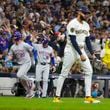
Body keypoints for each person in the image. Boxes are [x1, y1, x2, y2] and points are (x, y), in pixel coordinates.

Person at [53, 6, 100, 103]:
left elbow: (87, 41)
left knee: (89, 71)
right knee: (64, 73)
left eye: (87, 13)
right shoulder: (72, 23)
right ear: (79, 13)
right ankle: (57, 97)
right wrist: (80, 54)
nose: (86, 15)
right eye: (85, 13)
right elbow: (73, 41)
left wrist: (92, 53)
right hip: (71, 50)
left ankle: (88, 97)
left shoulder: (86, 25)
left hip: (81, 49)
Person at [7, 31, 35, 98]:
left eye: (15, 37)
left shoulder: (24, 44)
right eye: (14, 37)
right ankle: (29, 92)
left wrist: (31, 58)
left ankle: (30, 80)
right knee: (21, 79)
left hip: (27, 62)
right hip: (20, 64)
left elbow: (32, 50)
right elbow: (10, 56)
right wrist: (8, 59)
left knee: (19, 75)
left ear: (18, 37)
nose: (14, 38)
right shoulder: (13, 47)